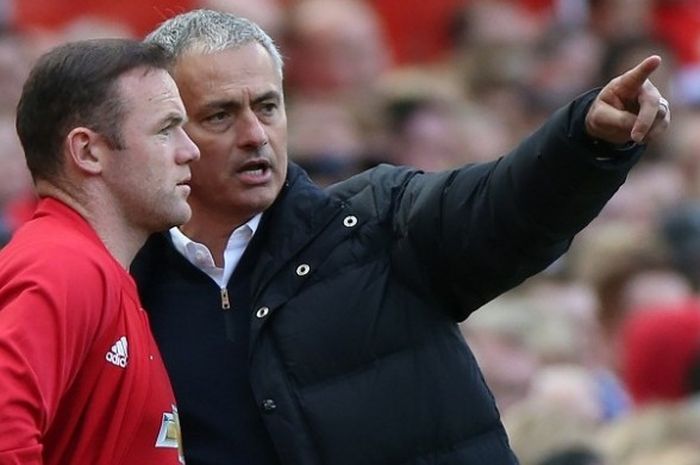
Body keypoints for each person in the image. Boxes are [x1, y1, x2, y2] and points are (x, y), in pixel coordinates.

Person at [132, 9, 670, 465]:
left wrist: (584, 141)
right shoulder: (123, 282)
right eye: (221, 115)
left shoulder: (377, 222)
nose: (255, 135)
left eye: (268, 106)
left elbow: (503, 204)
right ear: (167, 133)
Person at [0, 38, 200, 464]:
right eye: (166, 129)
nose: (190, 150)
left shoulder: (93, 270)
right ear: (88, 151)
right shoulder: (61, 266)